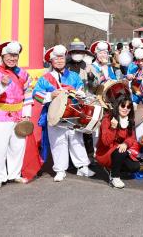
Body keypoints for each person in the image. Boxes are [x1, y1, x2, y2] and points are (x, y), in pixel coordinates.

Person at [33, 45, 95, 182]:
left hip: (73, 113)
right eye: (56, 58)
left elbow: (81, 90)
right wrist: (50, 95)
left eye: (62, 58)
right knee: (58, 142)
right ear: (51, 61)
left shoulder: (74, 76)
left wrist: (80, 94)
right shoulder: (46, 78)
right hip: (54, 114)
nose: (60, 61)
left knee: (76, 140)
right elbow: (35, 94)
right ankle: (60, 170)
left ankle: (82, 167)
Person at [0, 41, 33, 190]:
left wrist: (26, 114)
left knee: (17, 146)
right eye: (9, 55)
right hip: (0, 114)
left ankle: (14, 173)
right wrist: (2, 85)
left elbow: (28, 93)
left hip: (18, 115)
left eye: (15, 55)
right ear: (3, 56)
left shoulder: (23, 74)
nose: (12, 58)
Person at [96, 95, 141, 189]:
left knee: (135, 166)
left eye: (128, 107)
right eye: (123, 105)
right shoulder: (107, 119)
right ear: (117, 106)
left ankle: (112, 168)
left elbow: (131, 137)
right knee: (121, 151)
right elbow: (106, 142)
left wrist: (125, 143)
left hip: (119, 150)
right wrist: (113, 128)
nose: (126, 109)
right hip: (105, 152)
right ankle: (114, 177)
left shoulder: (129, 120)